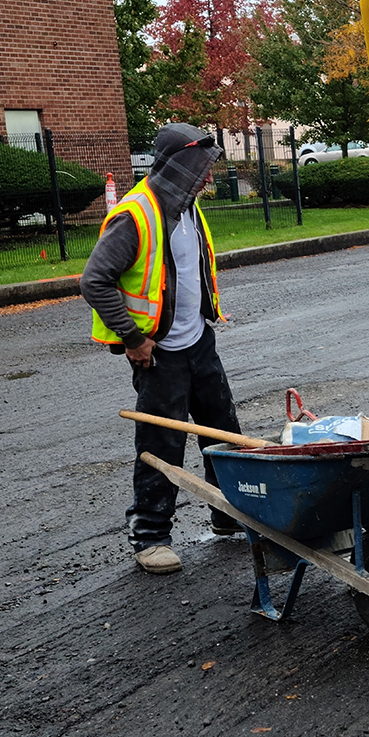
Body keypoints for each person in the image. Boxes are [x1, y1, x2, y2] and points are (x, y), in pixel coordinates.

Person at [81, 124, 243, 575]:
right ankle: (150, 536)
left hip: (199, 341)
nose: (208, 177)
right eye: (201, 168)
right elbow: (94, 281)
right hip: (159, 353)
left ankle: (229, 513)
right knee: (161, 443)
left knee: (224, 433)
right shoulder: (135, 215)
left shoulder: (187, 207)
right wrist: (133, 339)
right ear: (179, 166)